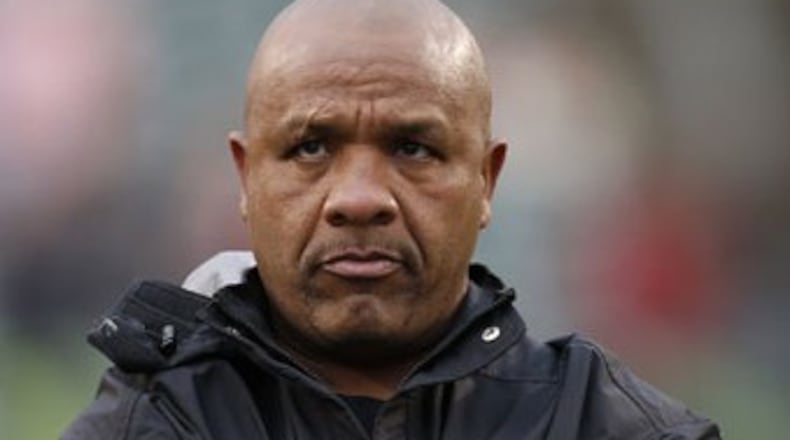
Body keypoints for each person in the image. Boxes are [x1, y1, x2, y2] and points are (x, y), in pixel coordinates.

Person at [62, 0, 721, 438]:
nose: (359, 198)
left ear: (486, 180)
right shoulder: (152, 425)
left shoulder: (608, 427)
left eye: (412, 148)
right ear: (246, 177)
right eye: (311, 148)